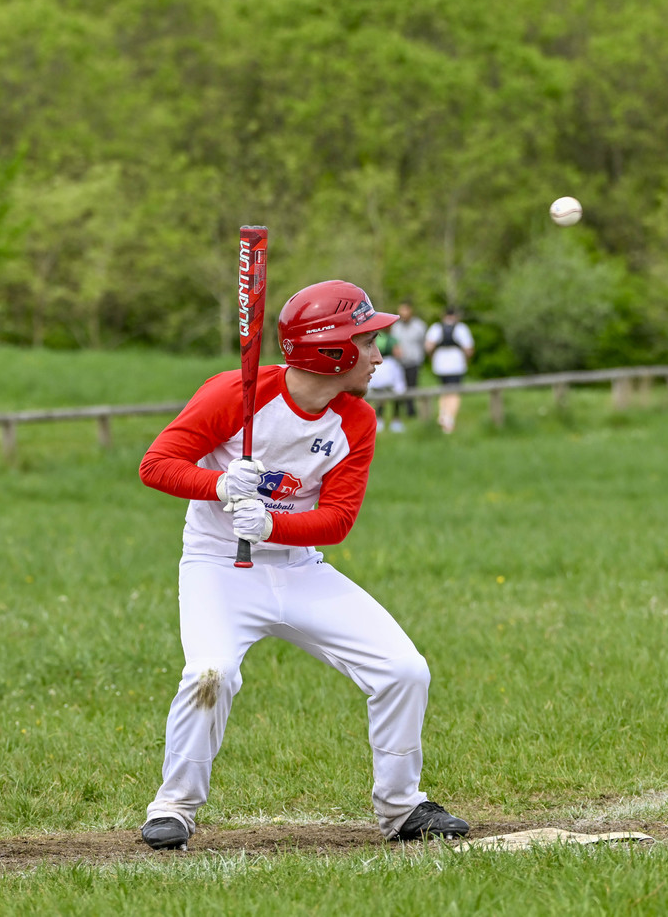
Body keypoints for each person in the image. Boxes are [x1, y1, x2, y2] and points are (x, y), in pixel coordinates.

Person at [135, 280, 469, 851]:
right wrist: (217, 484)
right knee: (210, 674)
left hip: (299, 568)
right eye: (366, 342)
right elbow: (157, 464)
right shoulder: (233, 394)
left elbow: (337, 520)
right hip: (218, 567)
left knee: (404, 670)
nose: (378, 356)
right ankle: (174, 808)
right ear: (330, 352)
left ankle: (401, 807)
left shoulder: (354, 422)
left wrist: (272, 525)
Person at [424, 308, 475, 434]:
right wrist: (466, 360)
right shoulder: (461, 328)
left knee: (444, 390)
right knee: (454, 392)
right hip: (456, 363)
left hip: (440, 363)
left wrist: (432, 358)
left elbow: (428, 346)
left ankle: (443, 413)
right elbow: (469, 349)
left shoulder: (436, 327)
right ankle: (449, 419)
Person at [389, 301, 427, 421]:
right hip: (399, 363)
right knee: (398, 389)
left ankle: (411, 414)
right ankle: (397, 415)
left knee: (412, 387)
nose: (403, 313)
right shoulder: (396, 326)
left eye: (405, 310)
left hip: (414, 362)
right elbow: (394, 343)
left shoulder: (419, 326)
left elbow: (424, 343)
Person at [370, 330, 408, 431]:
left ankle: (379, 419)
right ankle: (396, 420)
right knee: (396, 394)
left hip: (377, 368)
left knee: (379, 397)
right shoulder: (391, 339)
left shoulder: (374, 338)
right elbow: (398, 353)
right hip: (390, 367)